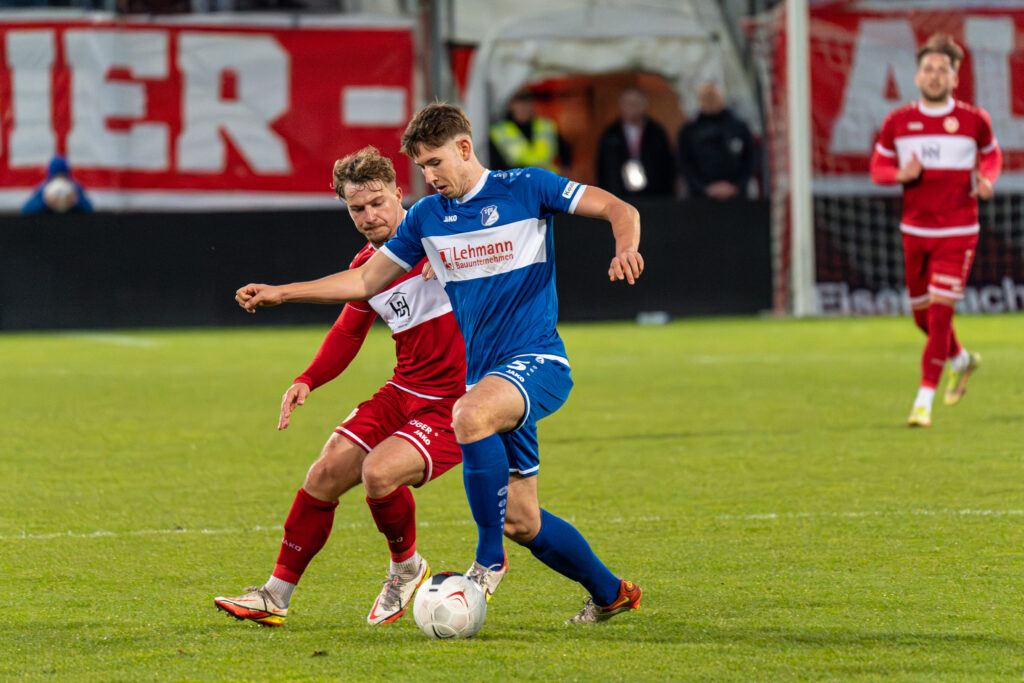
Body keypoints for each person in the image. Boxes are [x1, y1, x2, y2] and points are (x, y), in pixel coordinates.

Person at [236, 103, 645, 625]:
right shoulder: (429, 218)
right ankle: (611, 593)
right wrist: (282, 293)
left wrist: (625, 248)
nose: (430, 177)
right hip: (484, 381)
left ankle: (486, 564)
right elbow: (364, 283)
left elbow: (620, 210)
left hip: (535, 360)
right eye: (422, 168)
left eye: (434, 163)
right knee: (523, 519)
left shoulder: (527, 187)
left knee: (467, 416)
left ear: (464, 149)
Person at [215, 146, 467, 626]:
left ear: (399, 193)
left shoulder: (446, 229)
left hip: (457, 399)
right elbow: (349, 331)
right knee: (325, 471)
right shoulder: (370, 263)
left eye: (377, 202)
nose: (369, 215)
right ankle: (274, 595)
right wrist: (308, 378)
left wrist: (456, 258)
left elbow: (498, 248)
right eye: (357, 208)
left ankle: (405, 567)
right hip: (406, 389)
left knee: (379, 473)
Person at [869, 33, 1001, 427]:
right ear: (917, 76)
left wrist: (987, 178)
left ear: (955, 78)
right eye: (928, 68)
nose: (934, 75)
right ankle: (961, 360)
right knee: (922, 318)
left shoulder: (974, 120)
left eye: (943, 69)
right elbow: (877, 170)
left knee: (941, 316)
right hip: (915, 230)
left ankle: (923, 401)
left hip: (959, 229)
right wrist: (899, 174)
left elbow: (992, 155)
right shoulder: (898, 122)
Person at [677, 81, 756, 200]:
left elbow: (751, 160)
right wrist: (705, 188)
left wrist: (735, 187)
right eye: (706, 97)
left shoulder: (739, 128)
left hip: (737, 200)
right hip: (700, 200)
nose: (710, 100)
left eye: (713, 96)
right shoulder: (689, 131)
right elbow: (684, 164)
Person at [595, 87, 675, 198]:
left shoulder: (656, 132)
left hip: (653, 194)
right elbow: (603, 167)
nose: (631, 107)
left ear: (644, 106)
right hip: (620, 194)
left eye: (635, 103)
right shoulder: (611, 133)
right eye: (627, 103)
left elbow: (667, 164)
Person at [489, 91, 571, 174]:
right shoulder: (499, 132)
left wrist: (564, 169)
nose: (524, 108)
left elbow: (565, 152)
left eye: (527, 103)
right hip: (517, 183)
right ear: (511, 105)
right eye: (520, 104)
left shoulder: (546, 126)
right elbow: (495, 165)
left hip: (547, 181)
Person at [21, 155, 94, 214]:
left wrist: (76, 201)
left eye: (62, 175)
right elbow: (26, 210)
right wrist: (44, 202)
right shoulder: (43, 188)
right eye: (57, 176)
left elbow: (90, 209)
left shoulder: (75, 188)